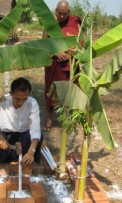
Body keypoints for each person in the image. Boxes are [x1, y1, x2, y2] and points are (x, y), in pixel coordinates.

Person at [0, 77, 43, 175]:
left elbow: (35, 129)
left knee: (38, 138)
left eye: (24, 99)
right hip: (4, 135)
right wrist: (0, 138)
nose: (20, 103)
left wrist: (31, 150)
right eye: (17, 98)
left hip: (23, 135)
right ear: (11, 93)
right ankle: (1, 161)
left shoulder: (32, 103)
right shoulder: (1, 100)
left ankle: (25, 160)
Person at [43, 0, 81, 131]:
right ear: (56, 11)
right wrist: (56, 52)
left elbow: (81, 41)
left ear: (69, 12)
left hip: (71, 64)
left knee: (70, 90)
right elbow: (43, 43)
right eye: (60, 13)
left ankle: (67, 116)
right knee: (51, 89)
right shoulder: (50, 24)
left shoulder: (75, 22)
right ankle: (49, 117)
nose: (62, 16)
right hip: (54, 64)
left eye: (65, 14)